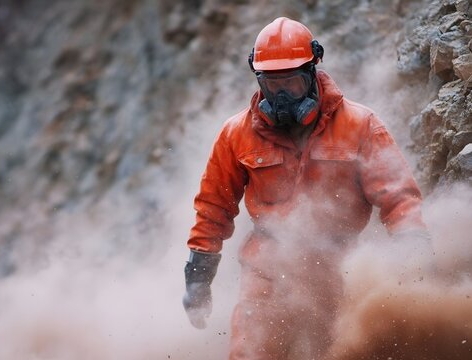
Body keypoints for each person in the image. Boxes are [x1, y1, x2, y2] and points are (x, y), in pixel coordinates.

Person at [181, 17, 432, 359]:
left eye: (293, 84)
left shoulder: (359, 125)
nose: (283, 97)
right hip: (267, 268)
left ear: (312, 72)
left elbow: (398, 196)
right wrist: (198, 273)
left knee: (342, 349)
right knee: (251, 351)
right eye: (273, 86)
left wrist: (413, 250)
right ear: (259, 81)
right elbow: (214, 206)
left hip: (339, 266)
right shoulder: (236, 134)